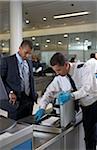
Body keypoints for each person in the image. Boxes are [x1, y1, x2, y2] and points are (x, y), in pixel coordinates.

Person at [35, 52, 97, 150]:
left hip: (93, 104)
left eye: (59, 70)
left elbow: (87, 89)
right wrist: (42, 107)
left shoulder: (83, 68)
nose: (57, 73)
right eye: (55, 71)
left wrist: (71, 95)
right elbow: (48, 93)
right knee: (89, 136)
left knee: (92, 136)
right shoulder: (60, 77)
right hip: (83, 108)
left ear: (66, 64)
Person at [0, 40, 37, 120]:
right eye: (26, 52)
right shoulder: (7, 61)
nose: (27, 56)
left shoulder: (29, 62)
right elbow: (1, 80)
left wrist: (34, 95)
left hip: (29, 101)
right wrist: (10, 92)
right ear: (20, 48)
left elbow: (30, 80)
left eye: (29, 53)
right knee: (15, 128)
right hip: (15, 101)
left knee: (28, 125)